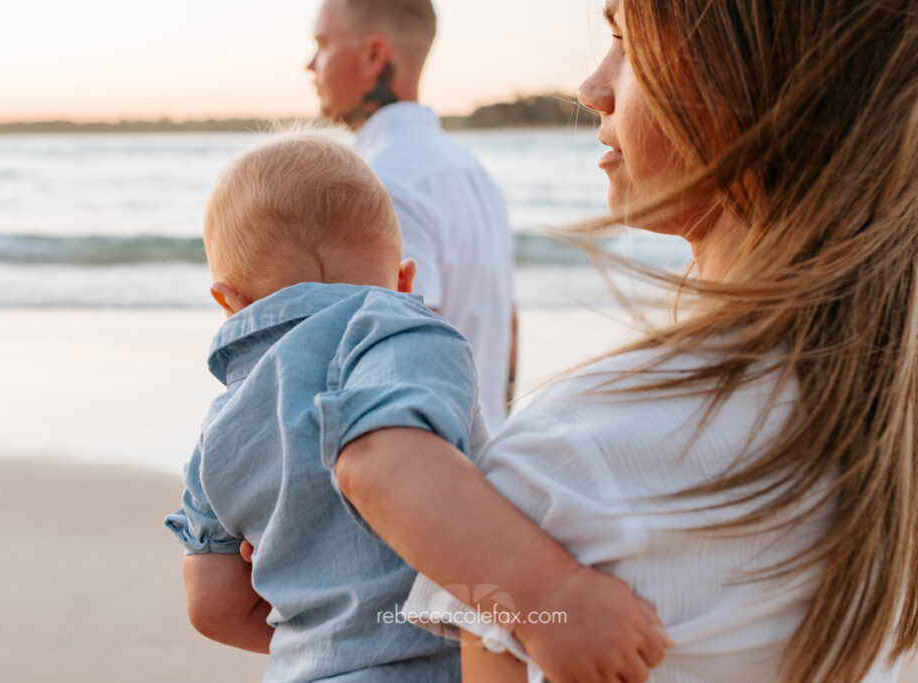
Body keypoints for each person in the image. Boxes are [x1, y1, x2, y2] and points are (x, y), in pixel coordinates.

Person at [332, 1, 918, 681]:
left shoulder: (575, 464)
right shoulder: (888, 432)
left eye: (626, 41)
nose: (592, 87)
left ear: (752, 79)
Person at [163, 133, 670, 683]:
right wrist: (553, 597)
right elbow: (389, 464)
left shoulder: (219, 426)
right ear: (406, 280)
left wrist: (321, 643)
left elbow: (212, 605)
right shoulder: (394, 328)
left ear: (228, 303)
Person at [306, 0, 516, 433]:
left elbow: (409, 365)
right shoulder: (472, 171)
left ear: (374, 56)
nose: (310, 64)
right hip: (481, 460)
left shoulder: (380, 182)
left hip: (428, 480)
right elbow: (508, 326)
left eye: (323, 44)